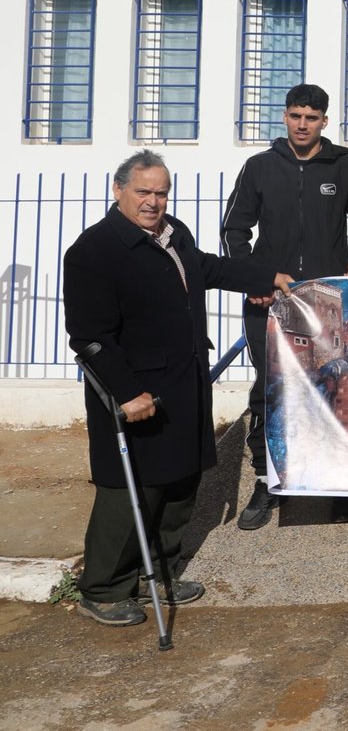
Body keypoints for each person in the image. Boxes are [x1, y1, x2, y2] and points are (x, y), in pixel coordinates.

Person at [64, 150, 290, 626]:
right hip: (136, 393)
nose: (153, 201)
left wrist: (265, 275)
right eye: (143, 191)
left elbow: (208, 268)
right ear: (118, 190)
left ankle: (159, 572)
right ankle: (104, 588)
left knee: (181, 481)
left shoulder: (174, 234)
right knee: (133, 490)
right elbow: (89, 337)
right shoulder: (94, 250)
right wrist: (127, 393)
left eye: (161, 192)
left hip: (185, 382)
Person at [222, 83, 348, 532]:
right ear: (285, 117)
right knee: (270, 390)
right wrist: (255, 279)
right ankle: (267, 480)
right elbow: (234, 229)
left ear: (325, 121)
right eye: (295, 116)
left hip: (325, 299)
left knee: (332, 387)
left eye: (311, 117)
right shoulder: (260, 167)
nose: (303, 125)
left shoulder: (345, 167)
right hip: (271, 298)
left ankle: (337, 483)